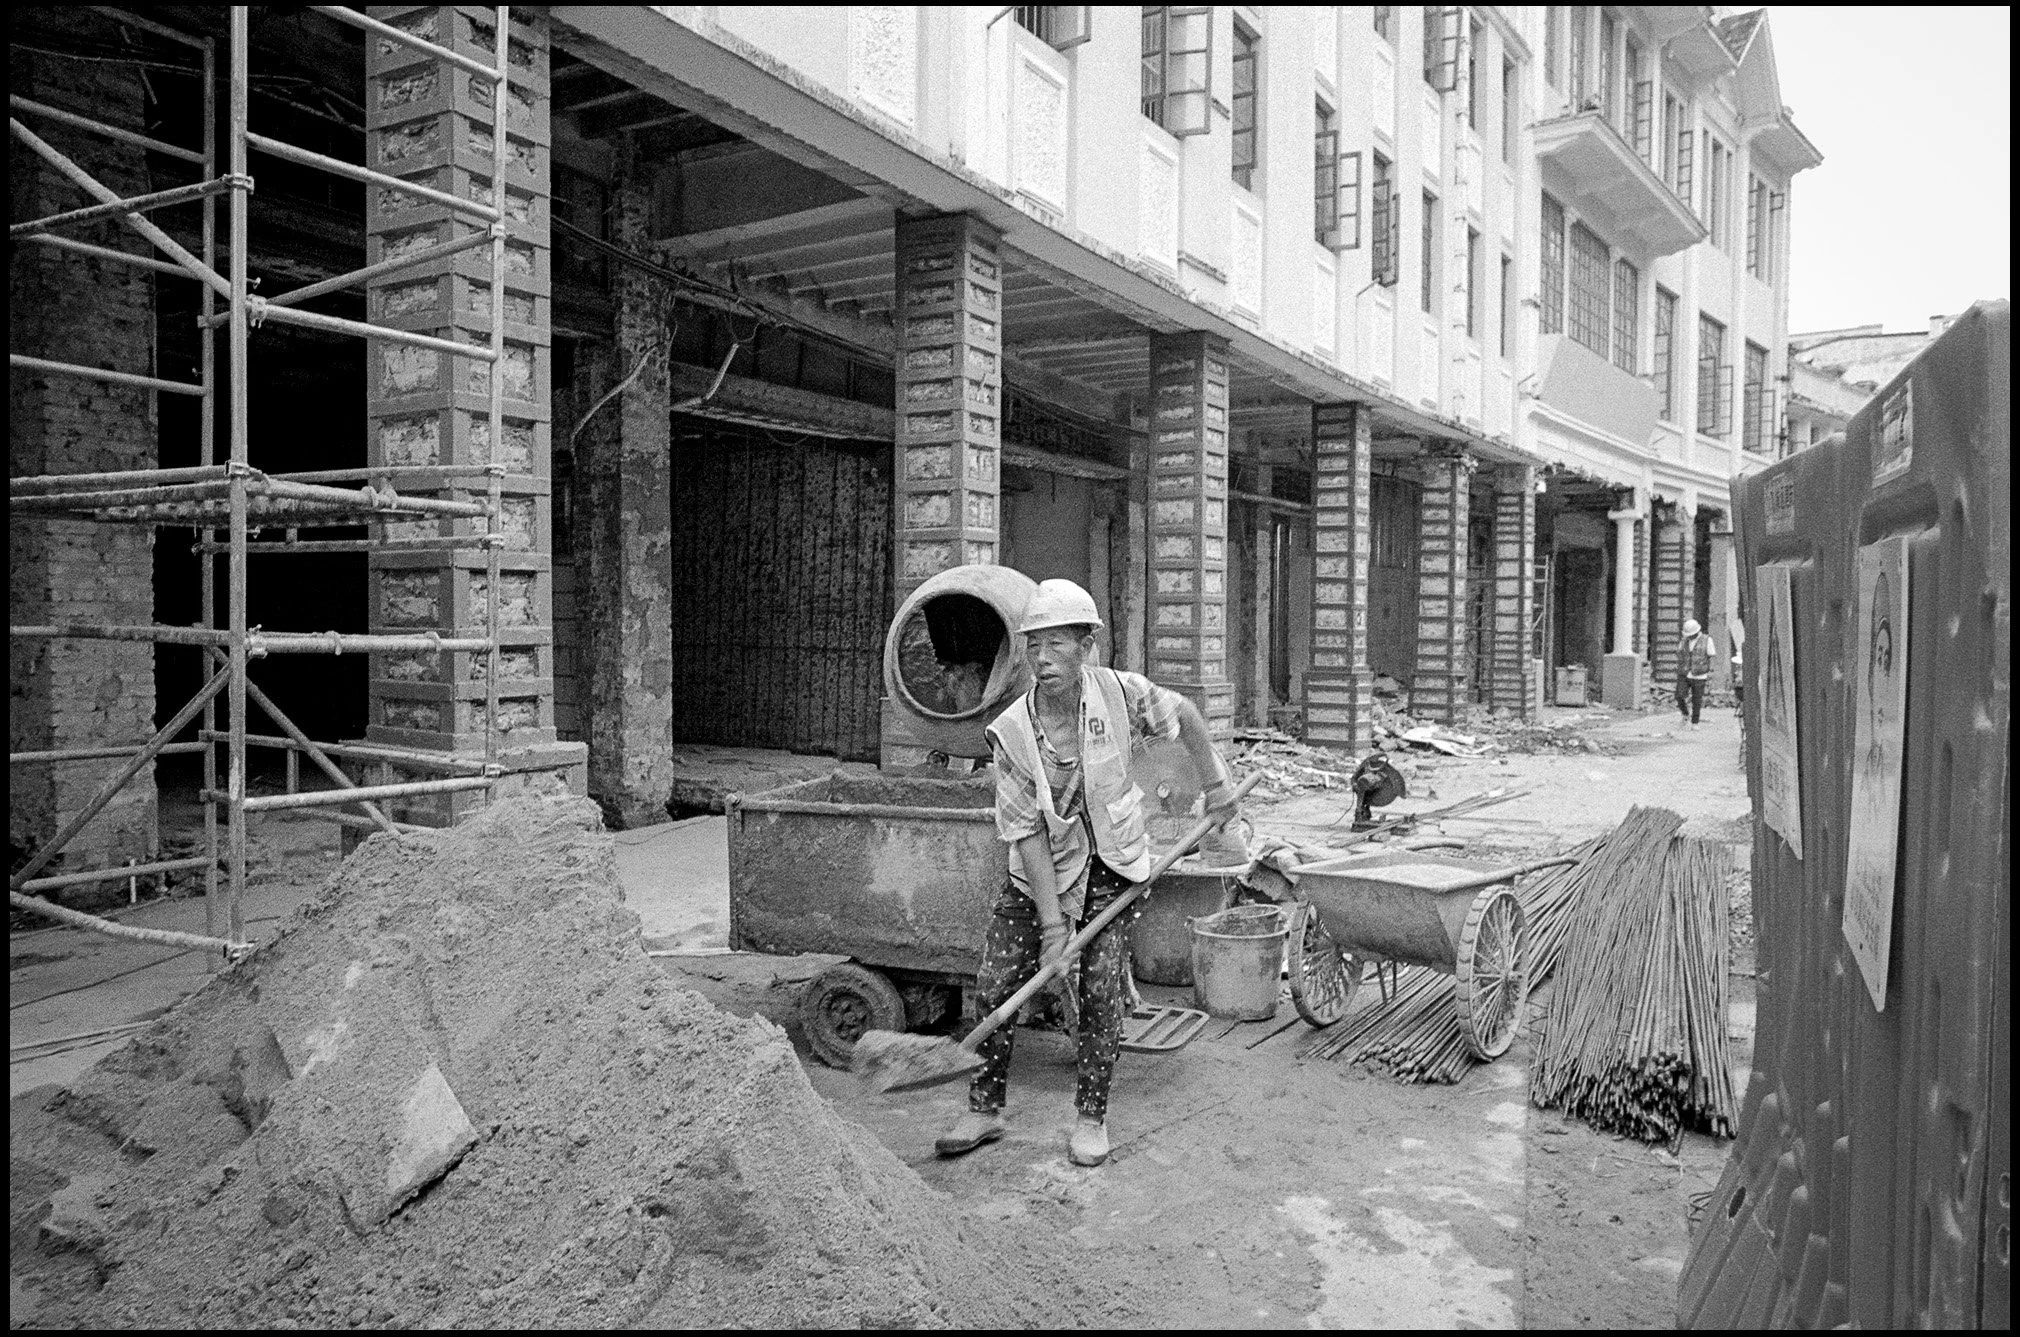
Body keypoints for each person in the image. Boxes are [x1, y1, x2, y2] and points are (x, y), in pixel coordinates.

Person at [935, 578, 1240, 1169]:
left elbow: (1187, 715)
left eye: (1056, 645)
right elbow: (1024, 834)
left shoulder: (1123, 696)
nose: (1042, 659)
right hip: (1039, 877)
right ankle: (984, 1107)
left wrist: (1217, 788)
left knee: (1101, 993)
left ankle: (1091, 1117)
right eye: (1032, 647)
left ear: (1087, 644)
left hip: (1114, 866)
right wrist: (1053, 929)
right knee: (996, 986)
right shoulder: (1013, 734)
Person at [1676, 618, 1715, 729]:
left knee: (1697, 699)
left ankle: (1695, 722)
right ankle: (1685, 713)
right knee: (1679, 695)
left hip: (1700, 674)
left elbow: (1711, 655)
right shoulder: (1684, 641)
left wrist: (1710, 673)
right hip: (1684, 672)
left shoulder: (1707, 640)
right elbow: (1679, 653)